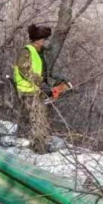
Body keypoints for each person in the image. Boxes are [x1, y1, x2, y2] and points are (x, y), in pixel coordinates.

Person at [12, 24, 68, 154]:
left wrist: (57, 80)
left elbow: (41, 72)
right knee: (38, 120)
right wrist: (41, 84)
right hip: (28, 91)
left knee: (39, 118)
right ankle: (38, 150)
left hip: (36, 90)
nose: (44, 43)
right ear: (38, 40)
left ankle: (35, 146)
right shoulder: (27, 51)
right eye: (43, 40)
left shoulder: (39, 53)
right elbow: (24, 70)